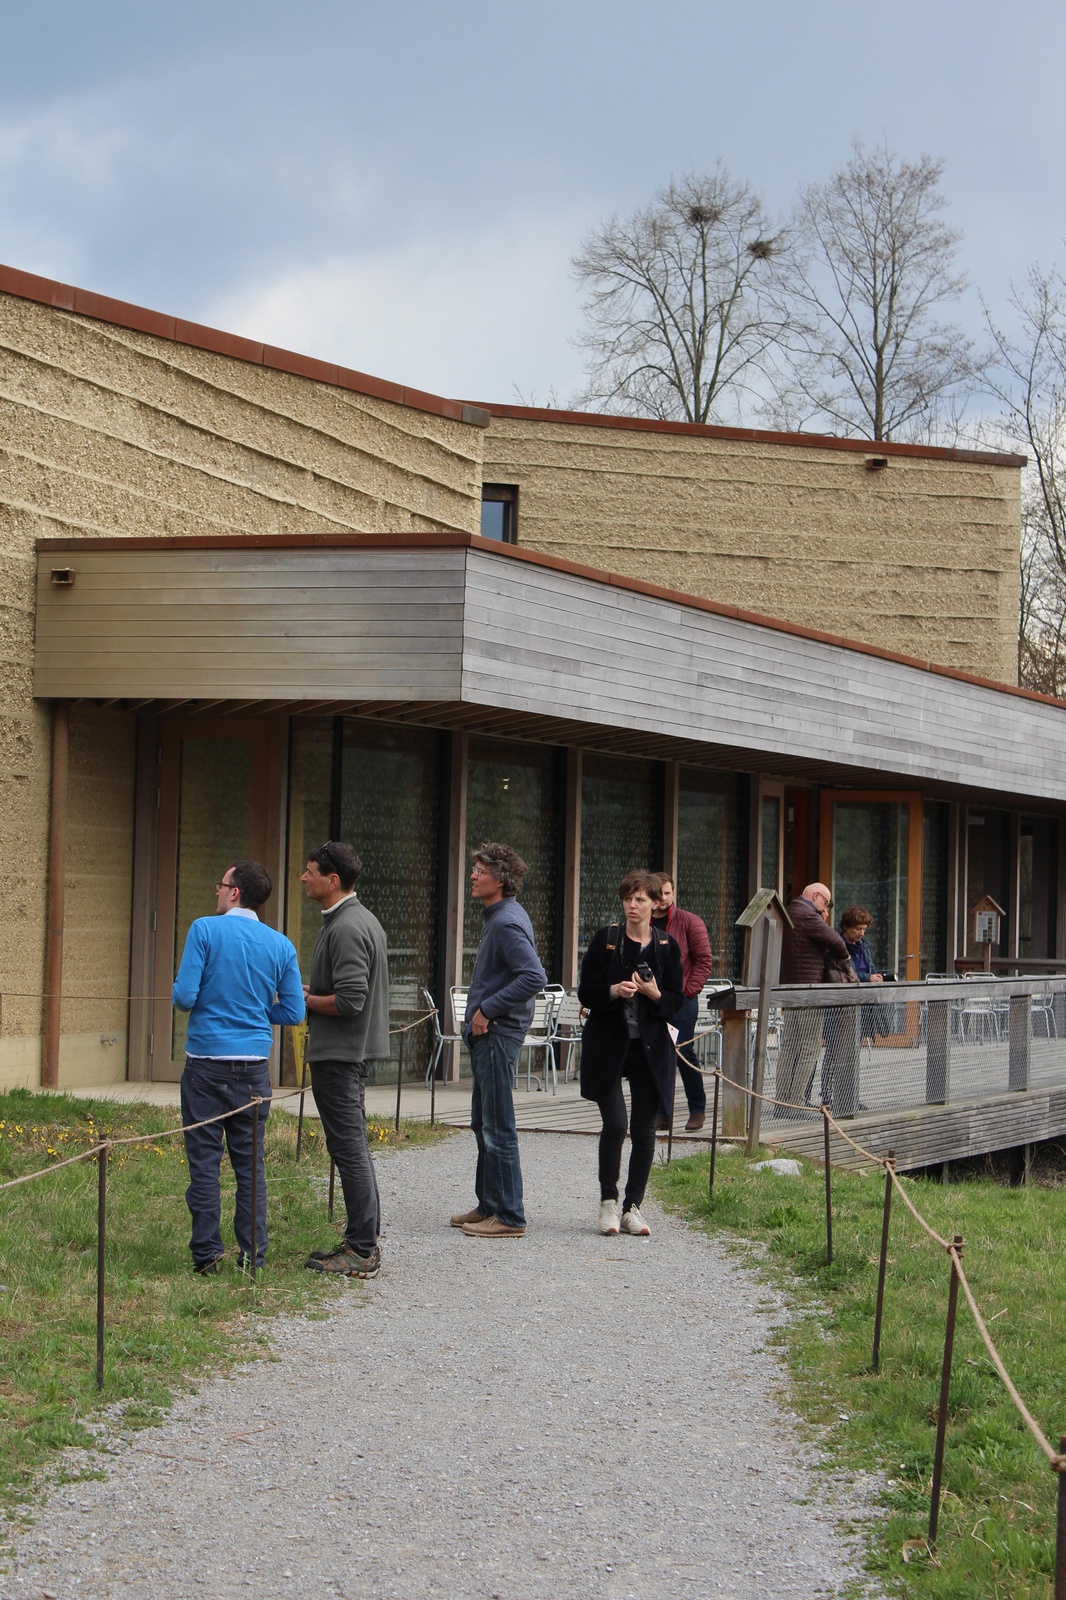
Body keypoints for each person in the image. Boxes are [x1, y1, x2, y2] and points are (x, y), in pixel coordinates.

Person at [172, 861, 304, 1275]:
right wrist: (258, 1012)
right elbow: (294, 1011)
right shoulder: (281, 945)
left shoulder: (204, 930)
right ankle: (253, 1257)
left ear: (234, 892)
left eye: (221, 884)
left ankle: (207, 1256)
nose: (217, 891)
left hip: (205, 1065)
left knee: (204, 1163)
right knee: (250, 1167)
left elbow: (184, 998)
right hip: (254, 1071)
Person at [301, 841, 390, 1278]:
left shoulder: (348, 926)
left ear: (332, 880)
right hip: (345, 1052)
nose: (304, 878)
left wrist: (305, 1000)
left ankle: (361, 1249)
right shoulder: (355, 919)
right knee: (351, 1147)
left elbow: (351, 999)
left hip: (340, 1055)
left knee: (350, 1150)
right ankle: (362, 1242)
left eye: (311, 871)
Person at [578, 869, 684, 1238]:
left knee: (644, 1129)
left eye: (640, 899)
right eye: (627, 899)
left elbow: (677, 1002)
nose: (632, 905)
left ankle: (632, 1207)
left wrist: (654, 994)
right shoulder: (606, 939)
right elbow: (585, 991)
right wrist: (612, 991)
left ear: (656, 904)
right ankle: (608, 1202)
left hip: (650, 1049)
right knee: (615, 1124)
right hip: (608, 1044)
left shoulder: (667, 946)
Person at [452, 842, 547, 1239]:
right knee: (483, 1123)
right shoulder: (499, 916)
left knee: (497, 1127)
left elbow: (534, 977)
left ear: (502, 879)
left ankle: (509, 1216)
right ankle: (489, 1204)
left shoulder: (506, 921)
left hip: (496, 1036)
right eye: (474, 868)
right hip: (489, 1036)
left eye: (480, 870)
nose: (473, 875)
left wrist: (487, 1010)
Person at [776, 882, 849, 1113]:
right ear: (815, 896)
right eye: (825, 904)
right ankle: (796, 1102)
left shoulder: (789, 910)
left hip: (789, 990)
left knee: (789, 1047)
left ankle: (782, 1101)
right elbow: (838, 942)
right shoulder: (808, 915)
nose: (825, 910)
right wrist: (845, 959)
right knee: (810, 1048)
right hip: (808, 992)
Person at [652, 874, 714, 1130]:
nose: (663, 898)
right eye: (659, 894)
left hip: (682, 1000)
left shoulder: (689, 921)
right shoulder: (641, 921)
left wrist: (688, 991)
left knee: (683, 1052)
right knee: (656, 1054)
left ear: (673, 893)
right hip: (650, 998)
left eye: (667, 893)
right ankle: (662, 1112)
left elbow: (704, 960)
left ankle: (697, 1108)